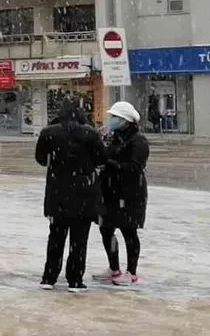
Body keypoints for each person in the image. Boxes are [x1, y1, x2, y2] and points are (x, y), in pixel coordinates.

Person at [35, 96, 107, 292]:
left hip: (57, 193)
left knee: (56, 237)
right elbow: (102, 158)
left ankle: (49, 277)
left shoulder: (49, 133)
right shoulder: (90, 134)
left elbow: (41, 159)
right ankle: (75, 279)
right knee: (79, 239)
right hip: (84, 193)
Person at [94, 101, 149, 287]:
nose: (112, 120)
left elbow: (134, 168)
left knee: (129, 231)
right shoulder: (113, 137)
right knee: (106, 229)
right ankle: (114, 268)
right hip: (110, 191)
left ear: (126, 121)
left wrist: (108, 162)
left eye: (116, 118)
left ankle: (131, 272)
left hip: (130, 193)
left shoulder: (138, 141)